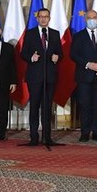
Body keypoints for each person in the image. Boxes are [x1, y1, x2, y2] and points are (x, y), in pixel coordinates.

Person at [69, 11, 97, 142]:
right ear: (85, 19)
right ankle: (85, 132)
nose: (92, 20)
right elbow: (73, 54)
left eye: (94, 18)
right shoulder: (78, 36)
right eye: (89, 18)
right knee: (85, 105)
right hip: (84, 76)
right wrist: (88, 64)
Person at [19, 8, 61, 146]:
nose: (43, 19)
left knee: (47, 108)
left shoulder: (55, 34)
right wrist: (31, 57)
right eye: (41, 16)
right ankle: (33, 137)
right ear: (37, 18)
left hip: (50, 77)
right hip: (35, 77)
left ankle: (47, 137)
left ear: (49, 18)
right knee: (35, 107)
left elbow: (60, 53)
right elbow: (23, 53)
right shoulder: (30, 34)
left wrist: (57, 57)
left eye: (46, 16)